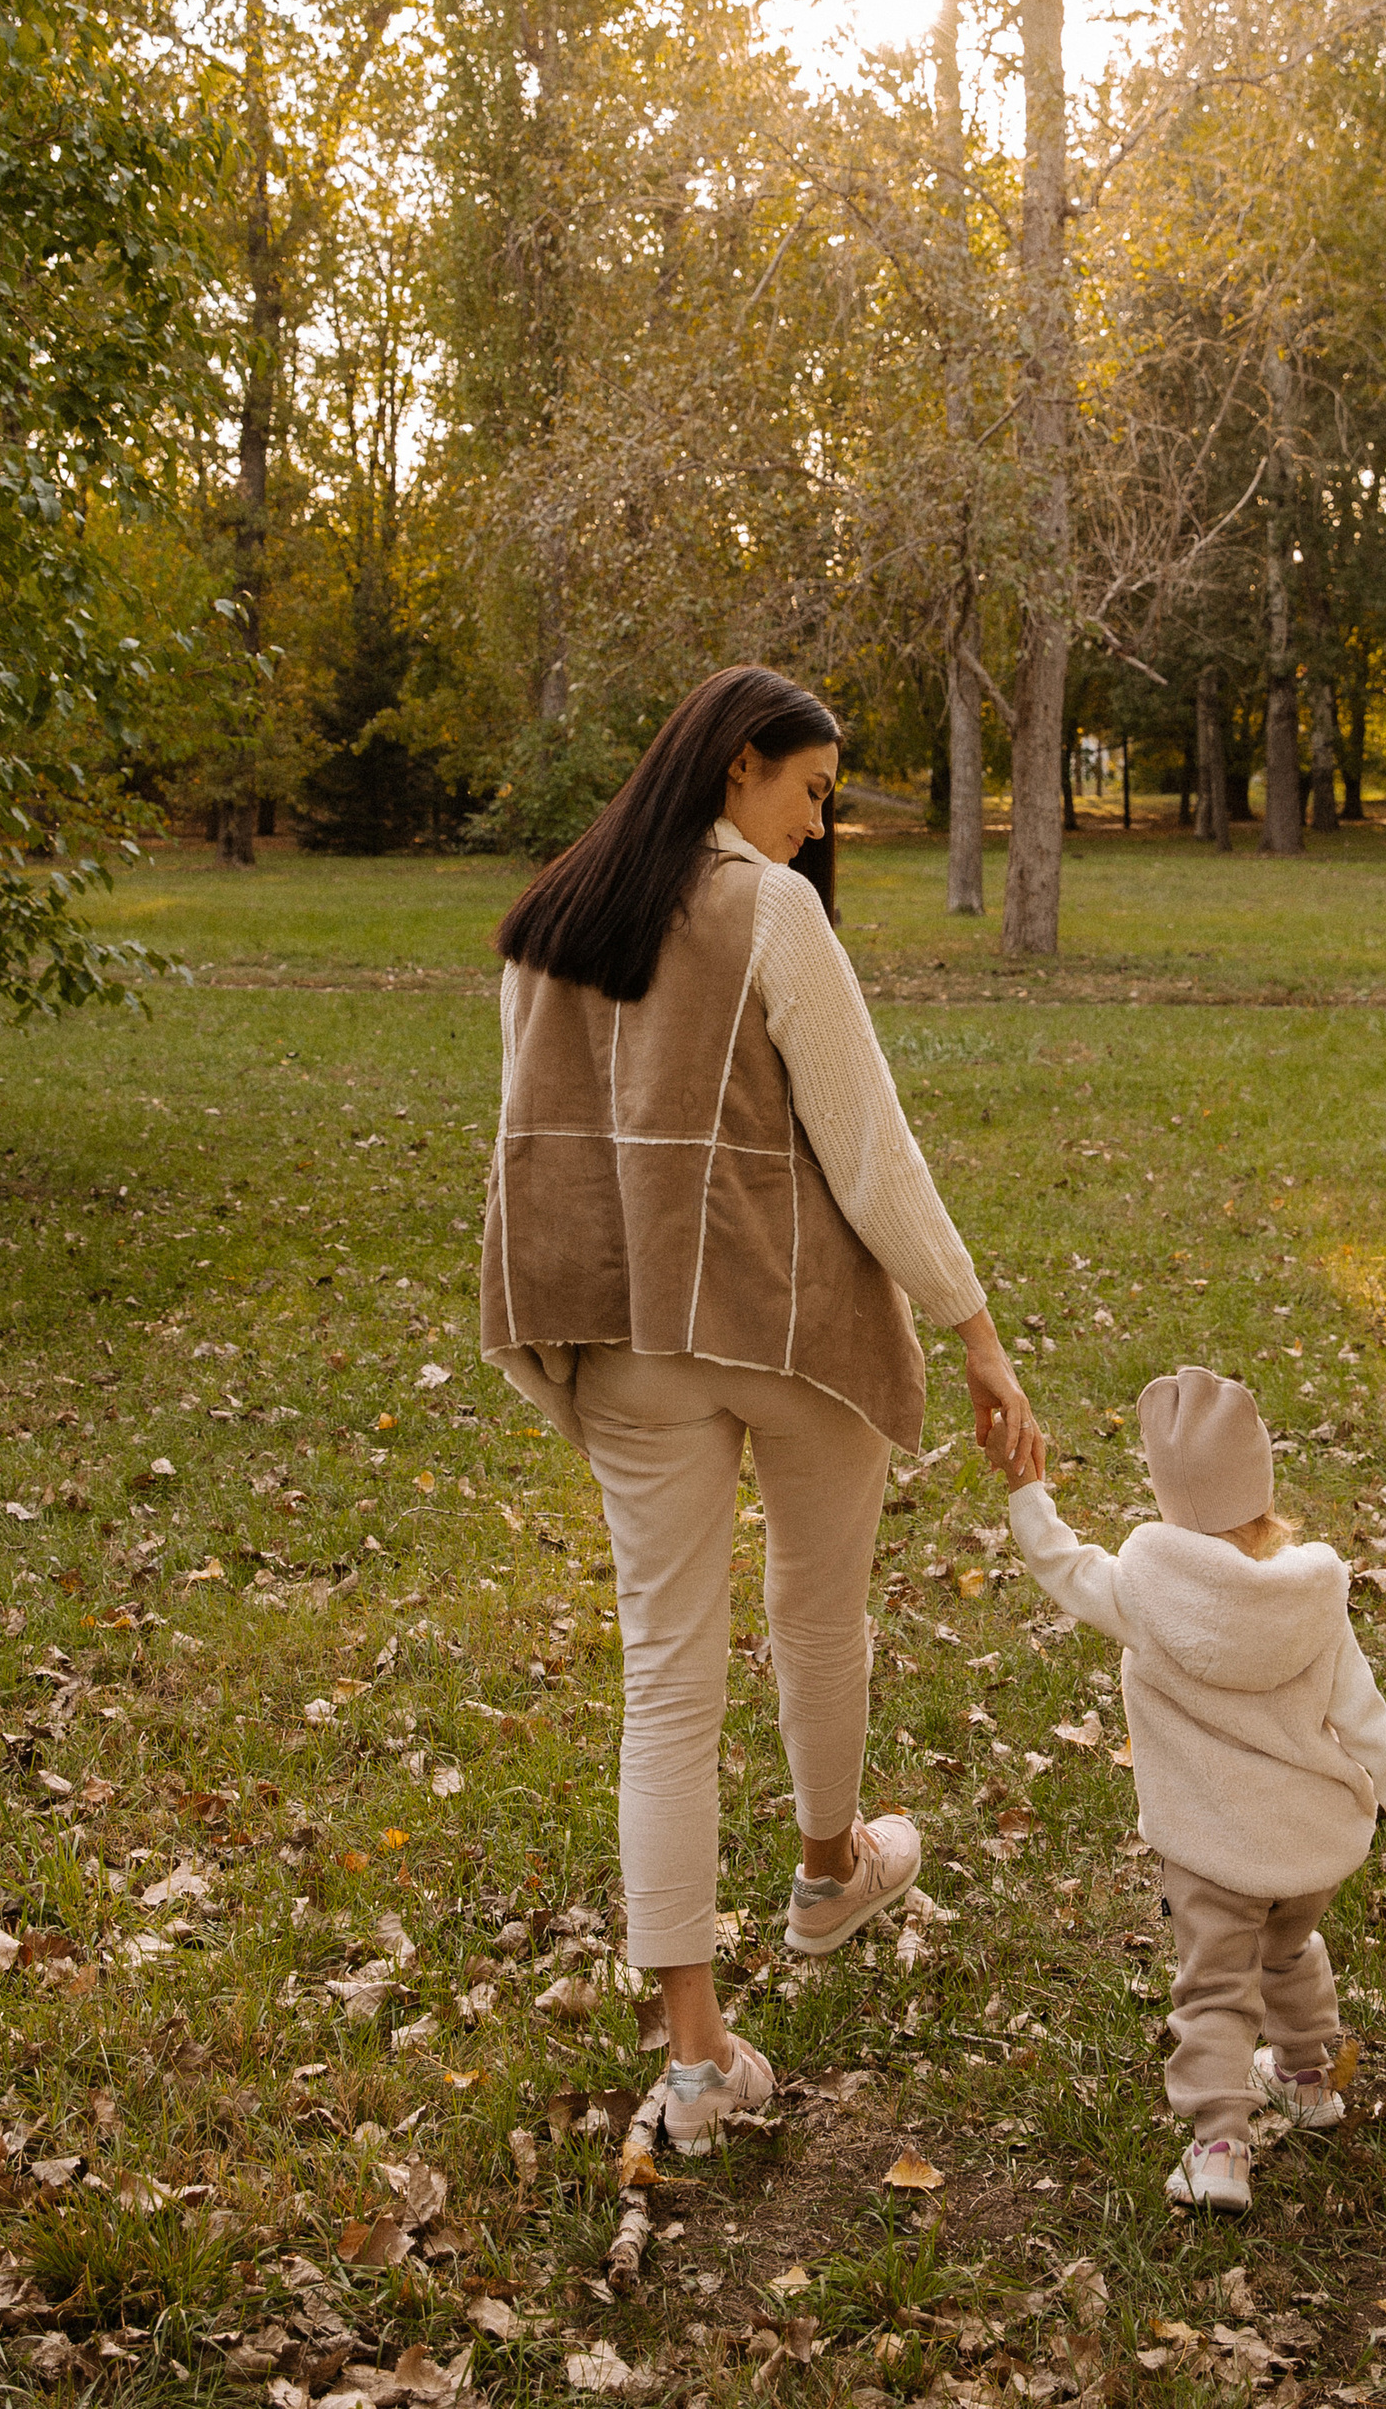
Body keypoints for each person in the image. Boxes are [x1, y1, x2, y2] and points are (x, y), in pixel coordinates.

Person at [480, 664, 1037, 2153]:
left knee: (666, 1675)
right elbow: (870, 1150)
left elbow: (534, 1149)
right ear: (740, 765)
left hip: (631, 1332)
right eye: (809, 789)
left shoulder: (549, 923)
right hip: (791, 1327)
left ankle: (695, 2055)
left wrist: (562, 1346)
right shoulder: (770, 912)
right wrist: (973, 1327)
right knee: (818, 1614)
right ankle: (827, 1864)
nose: (815, 821)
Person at [1003, 1364, 1386, 2211]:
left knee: (1216, 1987)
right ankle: (1307, 2077)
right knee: (1290, 1950)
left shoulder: (1148, 1591)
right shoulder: (1312, 1597)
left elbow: (1065, 1569)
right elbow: (1361, 1711)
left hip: (1213, 1849)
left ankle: (1219, 2143)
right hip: (1307, 1845)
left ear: (1168, 1496)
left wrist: (1030, 1493)